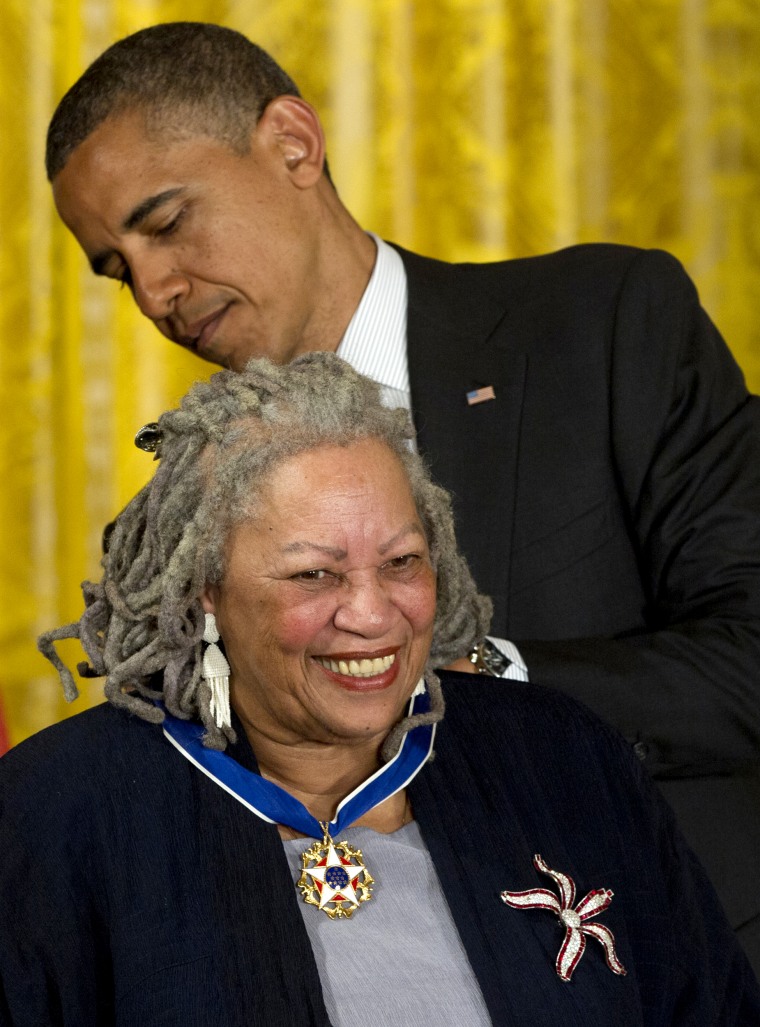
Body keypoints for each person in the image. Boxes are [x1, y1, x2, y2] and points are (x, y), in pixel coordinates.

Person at [44, 22, 760, 968]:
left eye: (167, 223)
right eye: (117, 268)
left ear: (293, 144)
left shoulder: (605, 322)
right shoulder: (194, 496)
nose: (153, 292)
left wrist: (477, 670)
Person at [0, 353, 757, 1025]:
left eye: (402, 562)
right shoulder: (54, 813)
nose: (371, 615)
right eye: (313, 574)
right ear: (204, 587)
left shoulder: (564, 756)